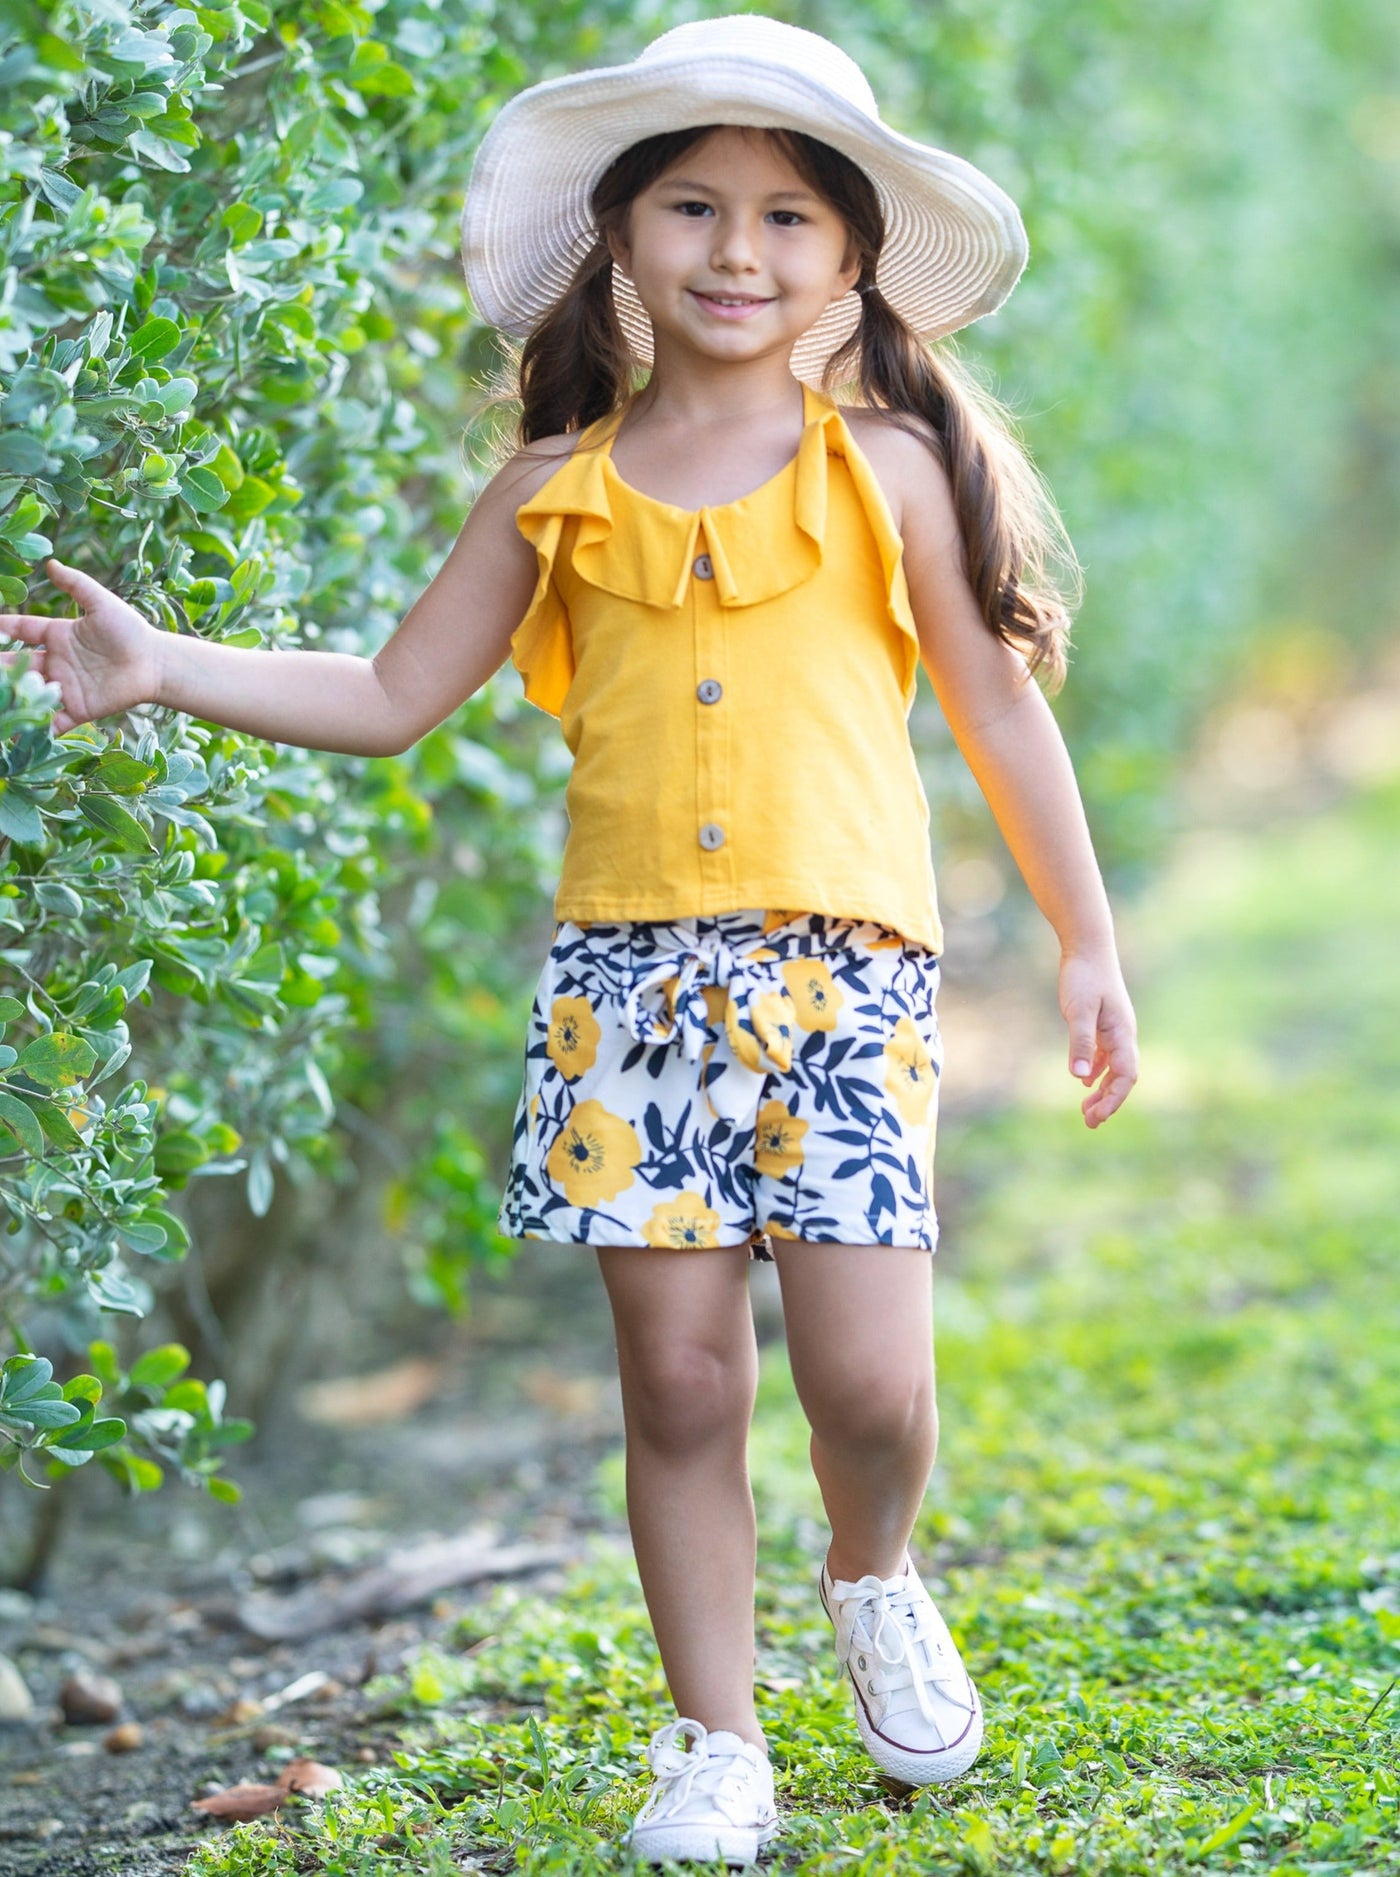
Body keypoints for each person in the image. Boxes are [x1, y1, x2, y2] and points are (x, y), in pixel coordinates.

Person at [2, 14, 1139, 1865]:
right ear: (620, 233)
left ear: (850, 262)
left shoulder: (887, 470)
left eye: (786, 216)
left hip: (848, 976)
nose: (736, 250)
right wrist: (162, 668)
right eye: (693, 205)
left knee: (866, 1382)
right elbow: (390, 694)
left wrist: (1087, 939)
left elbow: (1000, 712)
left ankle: (873, 1570)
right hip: (628, 995)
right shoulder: (554, 488)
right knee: (679, 1382)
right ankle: (718, 1738)